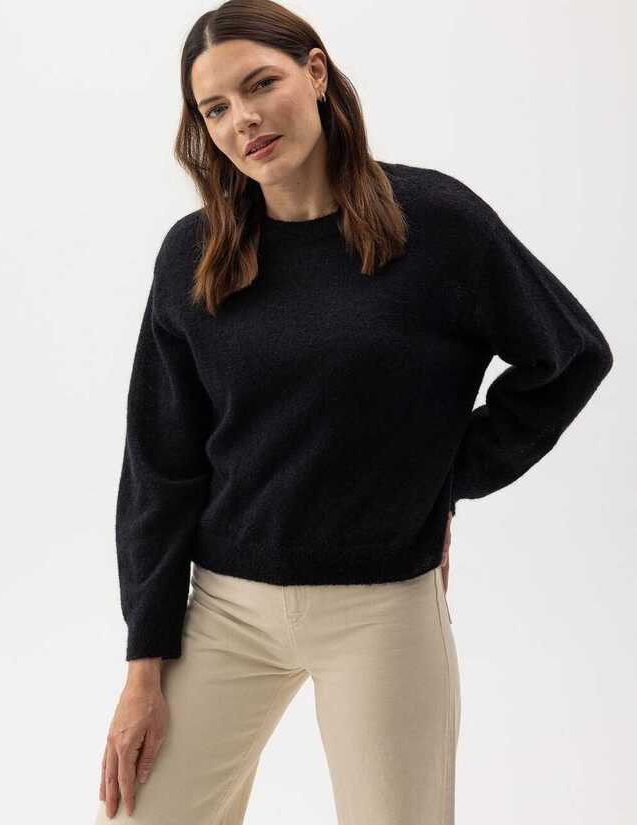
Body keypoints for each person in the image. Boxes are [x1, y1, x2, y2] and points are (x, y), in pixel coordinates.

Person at [94, 1, 614, 822]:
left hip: (383, 609)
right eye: (215, 109)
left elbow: (571, 354)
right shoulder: (193, 254)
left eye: (259, 84)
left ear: (315, 72)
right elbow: (159, 466)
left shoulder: (435, 223)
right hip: (225, 609)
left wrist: (444, 476)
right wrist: (142, 668)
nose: (243, 120)